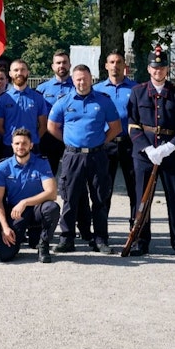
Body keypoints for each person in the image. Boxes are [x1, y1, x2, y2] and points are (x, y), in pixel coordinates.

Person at [126, 46, 175, 259]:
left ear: (167, 69)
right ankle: (140, 241)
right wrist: (147, 148)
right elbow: (132, 124)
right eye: (155, 68)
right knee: (142, 199)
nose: (158, 71)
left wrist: (169, 147)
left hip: (171, 153)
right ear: (148, 69)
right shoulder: (138, 92)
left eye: (162, 67)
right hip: (144, 155)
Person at [47, 64, 122, 254]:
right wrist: (69, 142)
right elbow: (52, 126)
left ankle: (100, 239)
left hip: (97, 156)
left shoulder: (103, 101)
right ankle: (67, 239)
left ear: (91, 79)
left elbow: (115, 127)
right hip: (73, 156)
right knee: (70, 198)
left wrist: (99, 142)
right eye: (78, 79)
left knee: (99, 198)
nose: (82, 82)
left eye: (85, 78)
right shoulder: (64, 101)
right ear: (73, 80)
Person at [0, 128, 60, 263]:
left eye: (24, 143)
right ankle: (23, 235)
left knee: (52, 208)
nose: (20, 147)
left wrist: (24, 202)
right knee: (5, 255)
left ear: (31, 145)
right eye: (17, 143)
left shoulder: (41, 162)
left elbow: (51, 193)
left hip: (36, 209)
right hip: (15, 213)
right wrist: (5, 228)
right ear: (12, 145)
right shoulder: (2, 167)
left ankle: (43, 244)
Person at [93, 51, 139, 218]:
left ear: (124, 66)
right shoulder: (96, 90)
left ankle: (136, 231)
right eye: (111, 62)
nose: (115, 65)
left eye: (119, 62)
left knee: (135, 188)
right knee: (103, 189)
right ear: (106, 66)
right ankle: (101, 232)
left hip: (130, 143)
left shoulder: (135, 88)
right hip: (106, 143)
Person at [36, 50, 73, 175]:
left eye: (64, 62)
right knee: (48, 174)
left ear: (70, 65)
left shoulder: (77, 86)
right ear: (53, 66)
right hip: (49, 137)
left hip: (71, 135)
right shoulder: (42, 89)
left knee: (71, 175)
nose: (61, 65)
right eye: (58, 63)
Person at [1, 60, 49, 158]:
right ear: (10, 73)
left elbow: (43, 125)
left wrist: (31, 140)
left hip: (32, 147)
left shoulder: (38, 97)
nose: (19, 73)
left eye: (23, 70)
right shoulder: (3, 99)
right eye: (16, 70)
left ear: (28, 72)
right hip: (10, 147)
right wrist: (12, 141)